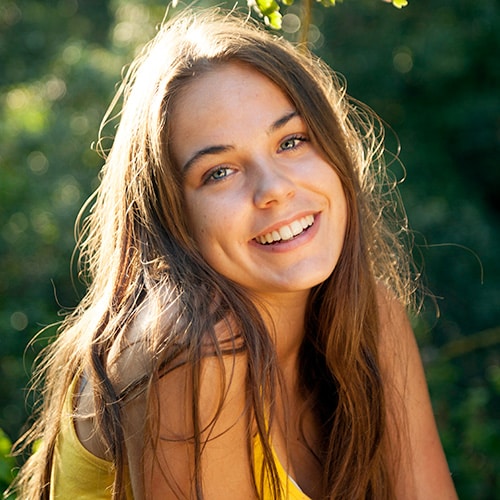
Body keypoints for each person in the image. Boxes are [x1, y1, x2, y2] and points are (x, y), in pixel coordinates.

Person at [13, 8, 458, 500]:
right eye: (219, 172)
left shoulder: (370, 320)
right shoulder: (191, 347)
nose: (274, 190)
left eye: (291, 141)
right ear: (169, 216)